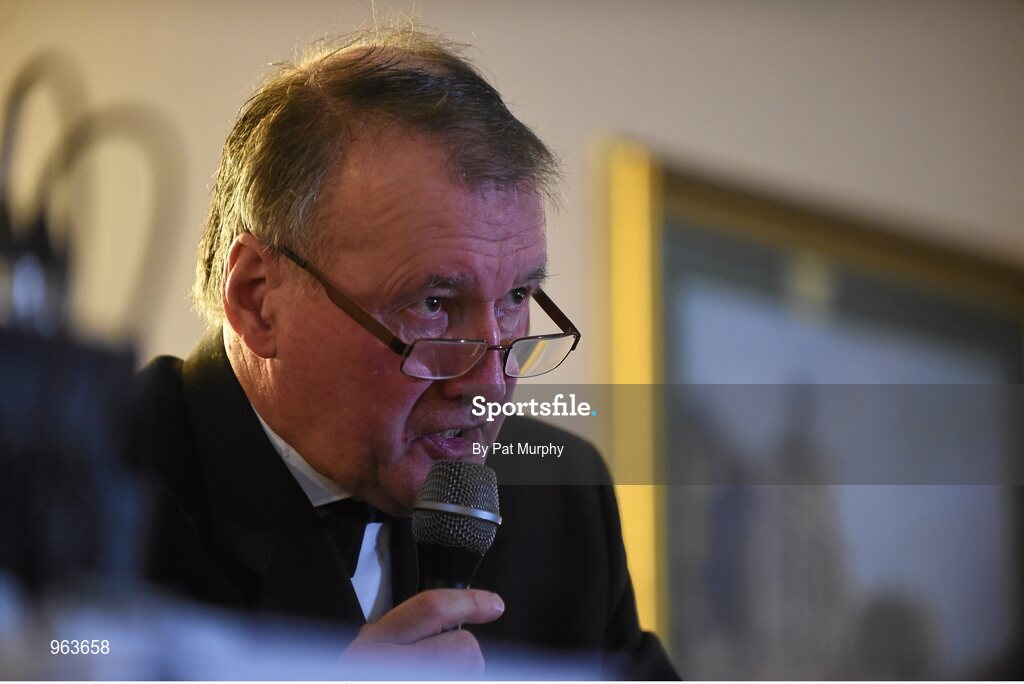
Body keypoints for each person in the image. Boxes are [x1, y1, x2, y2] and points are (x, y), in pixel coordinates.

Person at [134, 25, 677, 680]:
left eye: (516, 298)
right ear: (257, 299)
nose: (488, 384)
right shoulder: (78, 486)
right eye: (434, 306)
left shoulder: (560, 508)